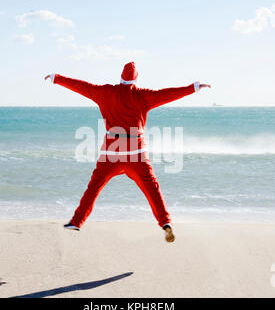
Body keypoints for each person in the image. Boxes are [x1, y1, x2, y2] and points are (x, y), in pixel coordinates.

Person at [45, 62, 211, 243]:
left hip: (112, 152)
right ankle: (165, 223)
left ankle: (77, 221)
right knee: (152, 189)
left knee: (94, 187)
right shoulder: (142, 95)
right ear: (136, 79)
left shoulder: (105, 92)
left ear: (121, 78)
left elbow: (82, 87)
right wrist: (193, 88)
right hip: (136, 152)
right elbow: (167, 94)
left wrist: (57, 78)